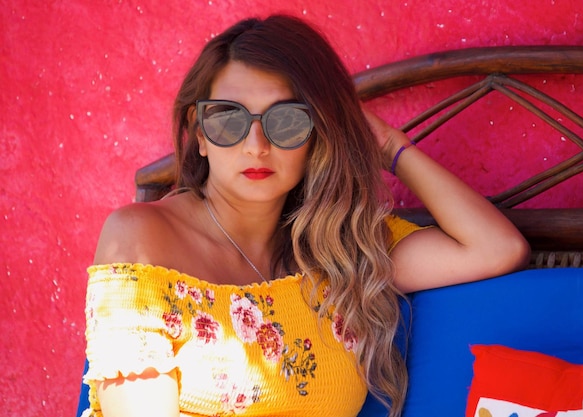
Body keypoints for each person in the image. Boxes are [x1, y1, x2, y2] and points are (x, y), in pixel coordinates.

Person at [82, 14, 529, 417]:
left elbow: (495, 248)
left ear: (318, 136)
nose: (256, 144)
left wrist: (390, 146)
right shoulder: (141, 241)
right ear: (199, 136)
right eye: (227, 119)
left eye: (287, 121)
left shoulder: (339, 250)